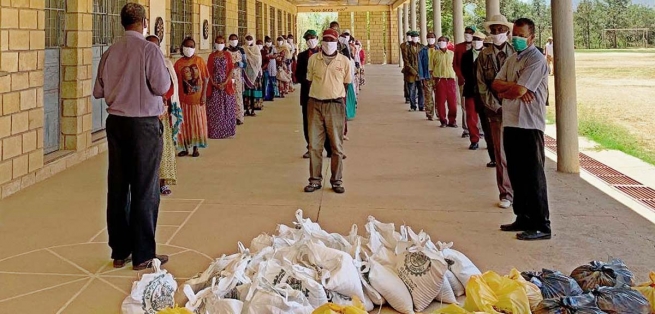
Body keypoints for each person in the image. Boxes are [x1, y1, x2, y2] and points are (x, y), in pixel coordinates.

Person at [93, 3, 170, 270]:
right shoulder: (150, 50)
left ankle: (120, 251)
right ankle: (143, 254)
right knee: (145, 188)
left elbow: (99, 90)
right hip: (143, 125)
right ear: (143, 22)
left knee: (118, 186)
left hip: (116, 123)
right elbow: (162, 85)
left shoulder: (110, 51)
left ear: (122, 22)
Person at [492, 18, 551, 241]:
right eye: (514, 34)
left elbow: (517, 91)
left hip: (529, 124)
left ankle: (541, 224)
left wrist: (513, 89)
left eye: (521, 35)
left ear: (532, 37)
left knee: (533, 175)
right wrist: (512, 89)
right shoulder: (512, 59)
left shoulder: (536, 60)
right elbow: (497, 85)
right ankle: (523, 217)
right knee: (516, 173)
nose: (516, 38)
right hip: (512, 121)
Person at [304, 28, 352, 194]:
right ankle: (315, 180)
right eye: (325, 39)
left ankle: (337, 180)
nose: (328, 43)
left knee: (336, 146)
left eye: (332, 40)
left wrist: (333, 94)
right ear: (321, 41)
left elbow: (346, 83)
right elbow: (309, 80)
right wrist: (320, 94)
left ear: (337, 42)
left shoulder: (344, 61)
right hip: (315, 104)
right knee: (314, 146)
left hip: (335, 105)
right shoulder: (313, 59)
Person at [477, 14, 515, 209]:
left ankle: (521, 190)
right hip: (495, 111)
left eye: (501, 30)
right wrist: (495, 105)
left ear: (508, 32)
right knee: (501, 154)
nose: (497, 33)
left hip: (516, 110)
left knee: (518, 151)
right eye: (494, 30)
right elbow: (482, 84)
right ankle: (506, 193)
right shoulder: (484, 55)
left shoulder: (516, 53)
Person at [146, 35, 181, 197]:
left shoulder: (166, 64)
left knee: (164, 148)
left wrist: (165, 102)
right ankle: (148, 185)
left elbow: (172, 86)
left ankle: (163, 182)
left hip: (163, 114)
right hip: (145, 114)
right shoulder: (140, 65)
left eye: (155, 46)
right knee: (146, 152)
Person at [295, 29, 332, 159]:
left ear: (317, 38)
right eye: (308, 38)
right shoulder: (302, 56)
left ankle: (330, 149)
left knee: (327, 122)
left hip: (324, 92)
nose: (311, 40)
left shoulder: (326, 53)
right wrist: (308, 82)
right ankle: (310, 148)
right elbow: (298, 75)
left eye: (313, 37)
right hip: (308, 93)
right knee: (308, 122)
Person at [175, 37, 209, 157]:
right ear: (182, 47)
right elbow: (175, 81)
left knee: (196, 124)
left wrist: (204, 94)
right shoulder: (178, 63)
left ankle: (195, 148)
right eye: (186, 46)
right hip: (183, 100)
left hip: (197, 100)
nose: (189, 49)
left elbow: (205, 78)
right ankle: (185, 148)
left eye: (191, 46)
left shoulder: (199, 61)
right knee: (184, 125)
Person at [461, 32, 490, 151]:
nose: (476, 41)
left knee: (487, 118)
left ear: (483, 41)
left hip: (485, 92)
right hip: (470, 90)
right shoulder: (466, 55)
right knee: (471, 116)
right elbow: (464, 71)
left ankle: (490, 142)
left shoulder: (488, 54)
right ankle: (474, 140)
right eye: (474, 39)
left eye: (478, 39)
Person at [206, 35, 237, 139]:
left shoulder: (227, 55)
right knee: (215, 110)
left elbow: (231, 69)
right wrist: (213, 83)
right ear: (215, 43)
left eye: (221, 42)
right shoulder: (211, 56)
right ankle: (214, 132)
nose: (219, 44)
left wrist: (225, 82)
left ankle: (226, 131)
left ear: (224, 44)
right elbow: (208, 71)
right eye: (218, 42)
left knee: (227, 108)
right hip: (214, 85)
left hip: (225, 84)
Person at [454, 26, 477, 138]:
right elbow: (455, 64)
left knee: (478, 106)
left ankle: (479, 129)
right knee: (465, 105)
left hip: (478, 82)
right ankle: (466, 129)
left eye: (470, 33)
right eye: (466, 32)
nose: (468, 34)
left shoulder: (479, 47)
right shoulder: (459, 47)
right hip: (464, 81)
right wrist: (461, 76)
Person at [430, 36, 458, 127]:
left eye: (444, 41)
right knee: (440, 102)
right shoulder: (434, 54)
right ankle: (443, 121)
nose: (442, 42)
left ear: (447, 42)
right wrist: (434, 79)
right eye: (440, 41)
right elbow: (431, 67)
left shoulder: (452, 54)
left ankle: (452, 121)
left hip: (450, 80)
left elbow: (456, 66)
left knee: (453, 103)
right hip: (440, 80)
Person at [401, 31, 424, 111]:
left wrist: (421, 71)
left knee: (421, 90)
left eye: (416, 37)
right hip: (410, 72)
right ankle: (413, 106)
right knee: (412, 90)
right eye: (413, 37)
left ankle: (421, 106)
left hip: (420, 72)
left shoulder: (422, 47)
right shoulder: (406, 47)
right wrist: (413, 71)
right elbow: (406, 60)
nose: (415, 38)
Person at [227, 34, 247, 125]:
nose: (233, 41)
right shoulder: (225, 51)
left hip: (238, 76)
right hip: (228, 77)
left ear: (238, 40)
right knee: (229, 95)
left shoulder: (241, 51)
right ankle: (229, 117)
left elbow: (245, 64)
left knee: (238, 96)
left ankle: (239, 117)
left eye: (235, 39)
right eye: (231, 39)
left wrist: (239, 64)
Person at [418, 32, 437, 120]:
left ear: (435, 38)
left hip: (437, 76)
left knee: (439, 96)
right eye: (429, 37)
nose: (431, 39)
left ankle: (439, 113)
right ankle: (430, 114)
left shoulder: (439, 49)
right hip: (427, 75)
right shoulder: (423, 51)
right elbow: (420, 64)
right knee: (428, 95)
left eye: (432, 37)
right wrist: (421, 77)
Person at [243, 34, 263, 116]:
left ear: (253, 39)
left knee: (254, 92)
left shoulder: (256, 48)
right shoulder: (242, 48)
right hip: (246, 73)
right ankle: (247, 109)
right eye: (247, 38)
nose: (248, 40)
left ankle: (253, 109)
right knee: (247, 92)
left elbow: (258, 60)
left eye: (250, 38)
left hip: (255, 73)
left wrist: (250, 54)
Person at [262, 36, 278, 101]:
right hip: (266, 66)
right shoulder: (263, 49)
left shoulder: (273, 48)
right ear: (265, 42)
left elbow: (275, 55)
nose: (269, 43)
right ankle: (266, 96)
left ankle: (272, 95)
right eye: (267, 41)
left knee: (272, 81)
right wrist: (270, 56)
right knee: (266, 81)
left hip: (272, 64)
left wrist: (269, 56)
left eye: (270, 41)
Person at [399, 31, 412, 104]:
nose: (409, 38)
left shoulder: (418, 46)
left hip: (416, 67)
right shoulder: (403, 45)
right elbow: (405, 57)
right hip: (407, 67)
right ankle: (407, 97)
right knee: (407, 82)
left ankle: (413, 97)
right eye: (408, 36)